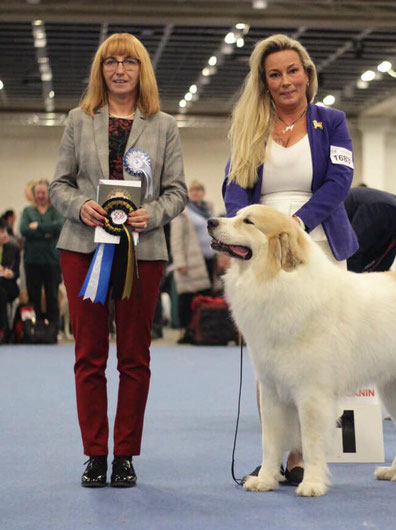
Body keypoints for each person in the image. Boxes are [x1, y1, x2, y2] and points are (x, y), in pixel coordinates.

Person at [49, 33, 187, 488]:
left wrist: (155, 213)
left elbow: (178, 191)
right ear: (101, 69)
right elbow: (59, 185)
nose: (120, 69)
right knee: (88, 356)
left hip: (142, 252)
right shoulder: (77, 119)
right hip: (81, 249)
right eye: (112, 62)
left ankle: (125, 454)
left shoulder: (164, 125)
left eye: (130, 61)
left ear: (141, 69)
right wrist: (80, 206)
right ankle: (94, 454)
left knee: (134, 357)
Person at [222, 34, 358, 485]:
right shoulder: (247, 127)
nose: (285, 82)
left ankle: (303, 457)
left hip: (316, 241)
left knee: (315, 362)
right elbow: (235, 187)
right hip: (261, 247)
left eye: (292, 71)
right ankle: (270, 459)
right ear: (264, 82)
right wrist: (252, 229)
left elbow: (340, 180)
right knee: (269, 360)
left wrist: (294, 225)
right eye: (275, 74)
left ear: (307, 74)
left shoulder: (332, 121)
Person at [170, 180, 213, 344]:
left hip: (207, 259)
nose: (196, 193)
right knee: (186, 297)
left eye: (199, 190)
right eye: (193, 190)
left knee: (204, 297)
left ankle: (201, 331)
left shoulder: (208, 210)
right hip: (190, 261)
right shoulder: (183, 211)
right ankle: (184, 331)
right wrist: (180, 261)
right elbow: (176, 238)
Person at [19, 180, 64, 335]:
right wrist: (47, 232)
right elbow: (24, 229)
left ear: (48, 194)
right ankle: (34, 329)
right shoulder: (27, 211)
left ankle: (53, 329)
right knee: (34, 296)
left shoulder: (56, 210)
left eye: (43, 192)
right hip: (32, 260)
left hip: (52, 260)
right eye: (37, 193)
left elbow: (60, 227)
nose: (40, 196)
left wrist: (37, 226)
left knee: (52, 295)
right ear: (34, 194)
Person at [0, 219, 20, 343]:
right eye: (2, 232)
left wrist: (11, 273)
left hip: (9, 286)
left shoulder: (13, 249)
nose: (6, 234)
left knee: (1, 293)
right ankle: (4, 330)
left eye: (6, 231)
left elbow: (17, 272)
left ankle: (3, 330)